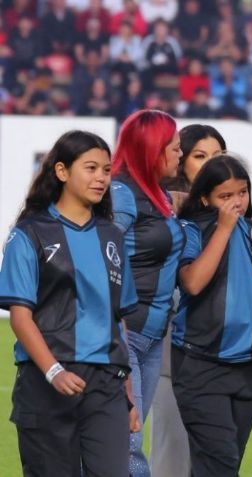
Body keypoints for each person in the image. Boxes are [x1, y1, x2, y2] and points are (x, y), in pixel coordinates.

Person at [0, 130, 140, 475]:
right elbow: (21, 316)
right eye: (90, 168)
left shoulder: (112, 236)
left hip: (106, 384)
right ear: (61, 171)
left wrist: (129, 396)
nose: (101, 178)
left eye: (106, 170)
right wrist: (53, 370)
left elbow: (117, 319)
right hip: (47, 380)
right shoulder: (29, 234)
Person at [173, 155, 252, 475]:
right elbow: (192, 282)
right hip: (200, 363)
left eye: (242, 193)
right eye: (225, 196)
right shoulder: (191, 230)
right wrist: (224, 229)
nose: (237, 202)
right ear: (204, 198)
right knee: (220, 463)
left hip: (249, 368)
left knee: (221, 463)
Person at [110, 109, 185, 477]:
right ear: (152, 149)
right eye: (174, 147)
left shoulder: (158, 195)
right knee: (128, 443)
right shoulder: (122, 194)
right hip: (130, 332)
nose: (180, 154)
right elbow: (103, 256)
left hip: (153, 334)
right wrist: (117, 329)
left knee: (128, 439)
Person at [149, 123, 227, 477]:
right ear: (180, 162)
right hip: (172, 334)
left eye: (219, 156)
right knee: (173, 448)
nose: (212, 164)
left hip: (223, 345)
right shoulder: (163, 209)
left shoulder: (233, 214)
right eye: (200, 156)